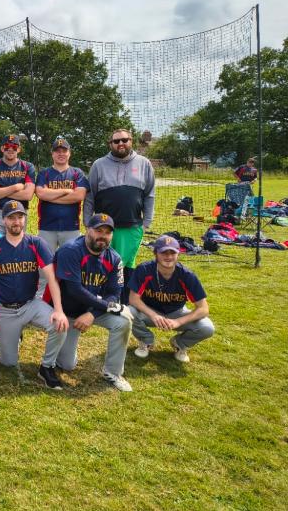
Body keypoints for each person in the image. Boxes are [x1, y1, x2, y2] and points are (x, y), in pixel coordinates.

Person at [0, 201, 69, 389]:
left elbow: (52, 278)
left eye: (19, 217)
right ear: (4, 220)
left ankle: (47, 367)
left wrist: (59, 310)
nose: (16, 221)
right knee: (8, 362)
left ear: (25, 219)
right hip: (4, 310)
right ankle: (14, 336)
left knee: (59, 325)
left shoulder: (36, 243)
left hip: (30, 304)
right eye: (11, 217)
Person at [51, 213, 133, 392]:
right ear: (88, 230)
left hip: (93, 311)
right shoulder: (71, 250)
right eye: (98, 230)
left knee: (123, 321)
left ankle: (113, 372)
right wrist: (107, 306)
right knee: (66, 365)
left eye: (107, 232)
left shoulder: (115, 258)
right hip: (68, 313)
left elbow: (114, 293)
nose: (102, 235)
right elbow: (74, 290)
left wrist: (92, 314)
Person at [84, 128, 155, 304]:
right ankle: (98, 299)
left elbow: (150, 194)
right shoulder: (99, 165)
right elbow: (90, 195)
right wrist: (87, 222)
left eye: (125, 140)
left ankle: (123, 301)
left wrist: (146, 222)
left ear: (131, 141)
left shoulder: (144, 163)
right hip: (104, 227)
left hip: (132, 226)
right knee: (101, 261)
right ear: (111, 144)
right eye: (116, 141)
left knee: (125, 265)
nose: (121, 144)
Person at [128, 235, 215, 363]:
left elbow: (203, 309)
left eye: (172, 252)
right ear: (155, 253)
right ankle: (146, 340)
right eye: (163, 252)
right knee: (128, 312)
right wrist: (153, 315)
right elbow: (133, 299)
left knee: (207, 327)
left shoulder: (187, 275)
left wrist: (179, 321)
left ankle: (180, 344)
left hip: (176, 312)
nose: (168, 256)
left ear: (178, 254)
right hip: (150, 311)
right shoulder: (144, 269)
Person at [35, 136, 89, 253]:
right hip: (46, 227)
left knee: (70, 261)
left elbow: (79, 196)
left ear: (69, 153)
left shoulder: (77, 173)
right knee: (46, 263)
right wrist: (66, 191)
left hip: (71, 227)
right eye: (57, 151)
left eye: (64, 151)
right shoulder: (44, 173)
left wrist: (50, 195)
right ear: (52, 154)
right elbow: (41, 194)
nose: (61, 154)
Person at [0, 134, 36, 235]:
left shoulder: (28, 167)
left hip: (19, 212)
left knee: (17, 246)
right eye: (7, 146)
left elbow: (28, 195)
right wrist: (16, 187)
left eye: (14, 147)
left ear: (19, 149)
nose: (10, 149)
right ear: (2, 149)